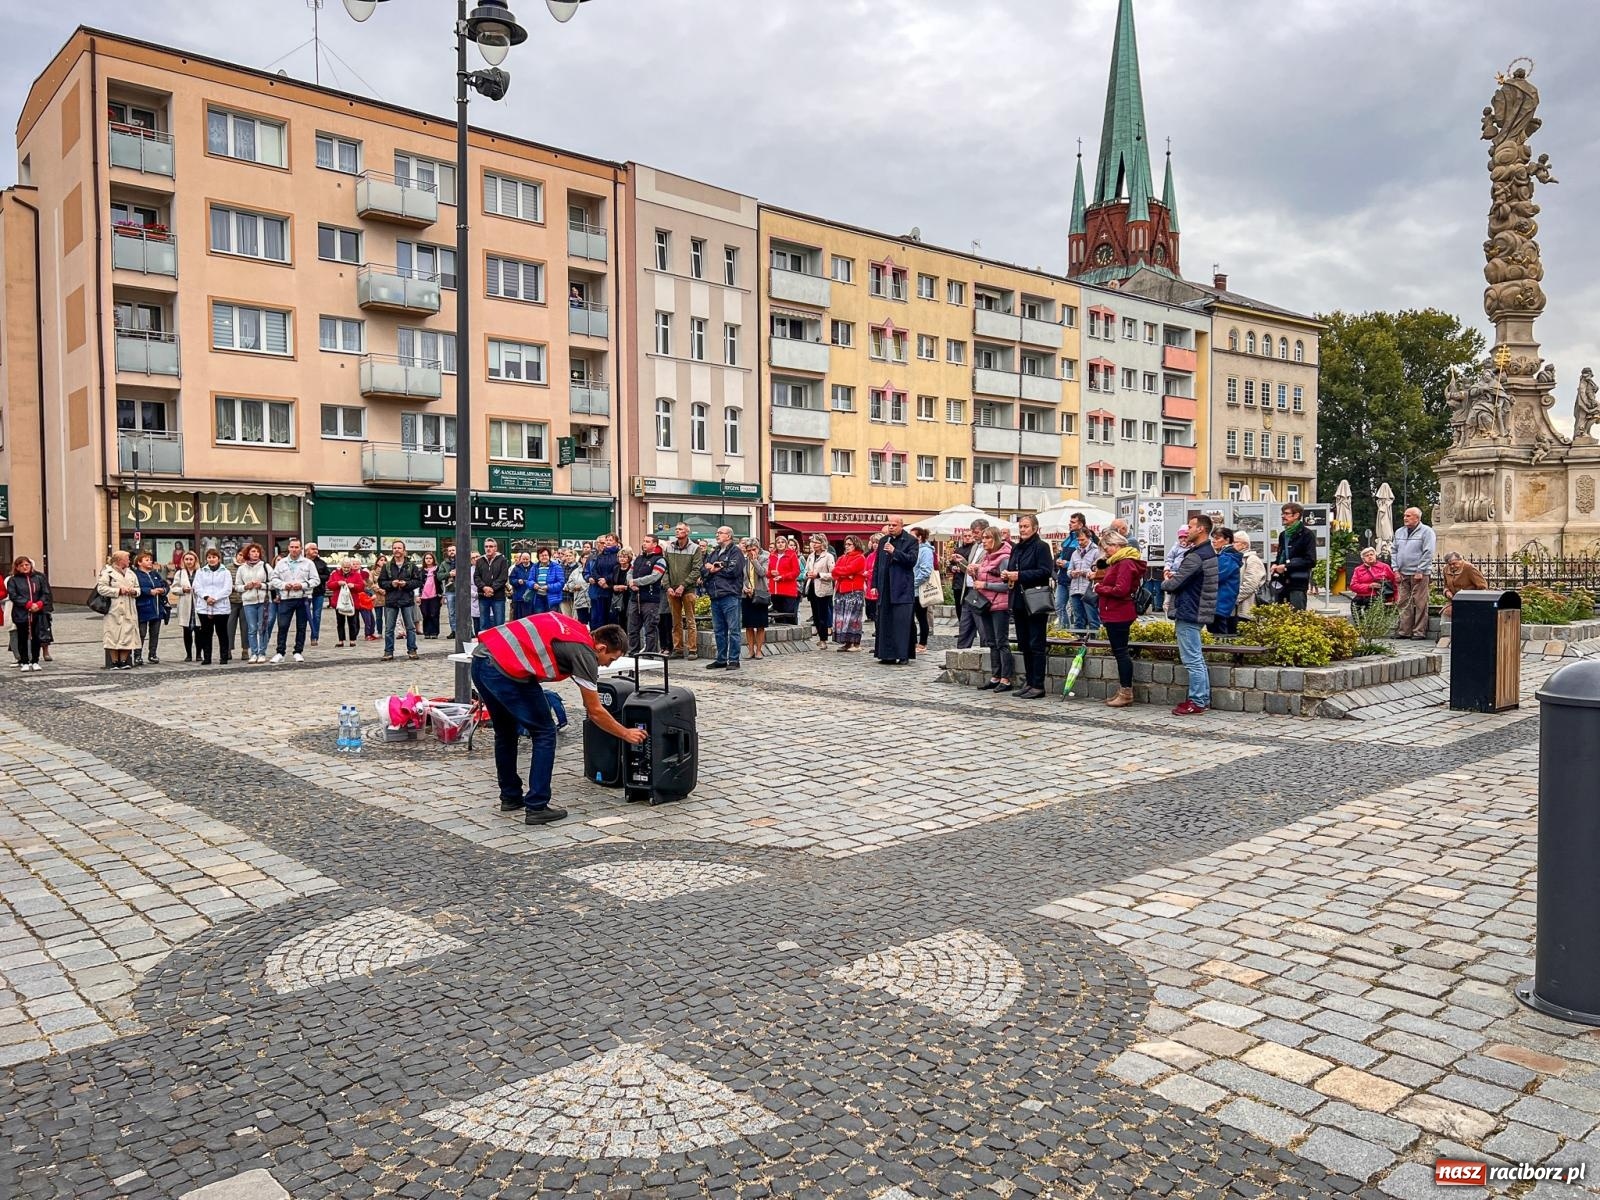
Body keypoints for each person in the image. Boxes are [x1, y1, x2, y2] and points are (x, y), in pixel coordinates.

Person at [471, 614, 646, 825]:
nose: (608, 666)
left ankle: (510, 797)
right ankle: (537, 806)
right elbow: (595, 711)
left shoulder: (577, 630)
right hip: (505, 670)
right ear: (600, 648)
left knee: (505, 732)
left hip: (481, 659)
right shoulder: (585, 653)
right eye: (611, 659)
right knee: (544, 733)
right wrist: (626, 733)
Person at [1162, 514, 1219, 715]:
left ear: (1201, 529)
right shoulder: (1208, 552)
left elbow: (1177, 582)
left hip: (1189, 610)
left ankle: (1196, 701)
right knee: (1197, 658)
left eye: (1192, 526)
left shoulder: (1196, 555)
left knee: (1192, 659)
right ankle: (1203, 698)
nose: (1188, 530)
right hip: (1198, 608)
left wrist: (1165, 582)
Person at [999, 514, 1052, 697]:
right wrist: (1007, 575)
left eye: (1026, 526)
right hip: (1019, 601)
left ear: (1035, 528)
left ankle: (1038, 684)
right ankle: (1029, 682)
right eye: (1021, 526)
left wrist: (1019, 575)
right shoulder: (1017, 548)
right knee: (1025, 644)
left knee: (1036, 643)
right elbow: (1014, 570)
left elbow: (1045, 572)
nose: (1022, 530)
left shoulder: (1041, 547)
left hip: (1035, 600)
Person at [1094, 531, 1146, 708]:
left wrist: (1100, 588)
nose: (1105, 551)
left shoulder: (1124, 563)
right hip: (1117, 612)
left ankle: (1126, 692)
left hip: (1118, 612)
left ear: (1116, 546)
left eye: (1107, 547)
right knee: (1120, 652)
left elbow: (1121, 590)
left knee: (1121, 653)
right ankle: (1124, 690)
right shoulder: (1122, 561)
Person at [969, 526, 1015, 694]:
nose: (984, 541)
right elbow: (983, 576)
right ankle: (995, 676)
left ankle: (1006, 678)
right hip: (986, 604)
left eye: (987, 538)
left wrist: (985, 585)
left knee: (1001, 641)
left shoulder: (1004, 558)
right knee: (991, 641)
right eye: (983, 538)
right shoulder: (987, 557)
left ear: (994, 539)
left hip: (1000, 605)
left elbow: (1007, 585)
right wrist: (974, 571)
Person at [872, 517, 920, 664]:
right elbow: (877, 565)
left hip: (902, 588)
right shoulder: (883, 541)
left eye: (894, 525)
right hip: (885, 587)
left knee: (902, 622)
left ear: (901, 526)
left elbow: (911, 560)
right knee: (885, 621)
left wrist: (895, 552)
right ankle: (887, 655)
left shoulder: (910, 540)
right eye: (889, 525)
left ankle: (903, 654)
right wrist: (874, 584)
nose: (891, 527)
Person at [701, 525, 745, 670]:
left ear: (729, 536)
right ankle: (721, 658)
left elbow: (733, 571)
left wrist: (714, 569)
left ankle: (733, 659)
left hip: (730, 595)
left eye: (721, 533)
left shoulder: (736, 552)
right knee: (719, 630)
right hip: (715, 596)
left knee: (733, 629)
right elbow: (703, 570)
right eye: (717, 532)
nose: (717, 535)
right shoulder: (714, 552)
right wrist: (714, 569)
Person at [1390, 507, 1436, 638]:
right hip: (1402, 572)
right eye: (1404, 515)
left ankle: (1419, 631)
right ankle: (1404, 631)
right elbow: (1394, 551)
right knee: (1403, 602)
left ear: (1417, 518)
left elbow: (1428, 552)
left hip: (1419, 573)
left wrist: (1420, 570)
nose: (1405, 518)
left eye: (1408, 516)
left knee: (1420, 602)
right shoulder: (1399, 532)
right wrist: (1395, 569)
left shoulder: (1427, 532)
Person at [270, 538, 318, 663]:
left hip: (302, 598)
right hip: (286, 598)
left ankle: (298, 651)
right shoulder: (281, 563)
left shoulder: (308, 563)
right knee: (283, 625)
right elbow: (274, 579)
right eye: (292, 547)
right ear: (288, 548)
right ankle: (280, 652)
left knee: (301, 626)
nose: (294, 549)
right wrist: (283, 585)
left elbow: (315, 580)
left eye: (297, 547)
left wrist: (302, 585)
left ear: (301, 549)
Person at [663, 523, 705, 659]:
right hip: (672, 589)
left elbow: (696, 569)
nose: (677, 531)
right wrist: (667, 586)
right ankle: (678, 649)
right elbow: (665, 568)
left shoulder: (695, 548)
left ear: (687, 532)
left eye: (680, 529)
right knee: (676, 621)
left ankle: (692, 649)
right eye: (676, 529)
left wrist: (683, 585)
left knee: (690, 620)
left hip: (688, 589)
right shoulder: (669, 547)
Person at [377, 540, 422, 661]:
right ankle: (388, 651)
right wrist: (391, 584)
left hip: (406, 599)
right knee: (389, 628)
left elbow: (418, 581)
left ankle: (412, 650)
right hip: (391, 600)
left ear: (404, 550)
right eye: (394, 548)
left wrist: (406, 584)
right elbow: (381, 582)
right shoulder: (387, 566)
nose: (397, 550)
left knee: (410, 627)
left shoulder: (411, 565)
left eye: (399, 548)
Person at [98, 549, 142, 671]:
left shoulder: (131, 573)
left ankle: (124, 661)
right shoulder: (108, 572)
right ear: (119, 560)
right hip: (114, 608)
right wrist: (118, 591)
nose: (129, 560)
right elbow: (101, 588)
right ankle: (114, 662)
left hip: (129, 607)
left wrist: (134, 592)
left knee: (127, 634)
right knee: (112, 634)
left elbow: (138, 588)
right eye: (127, 558)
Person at [949, 518, 990, 650]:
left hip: (981, 592)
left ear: (985, 531)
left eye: (976, 532)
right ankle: (960, 655)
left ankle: (987, 655)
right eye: (973, 532)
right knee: (965, 626)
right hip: (968, 590)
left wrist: (976, 567)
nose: (974, 535)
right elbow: (968, 569)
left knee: (983, 627)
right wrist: (962, 562)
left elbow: (989, 568)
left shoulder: (989, 547)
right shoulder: (975, 547)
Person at [7, 556, 52, 671]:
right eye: (21, 565)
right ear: (17, 567)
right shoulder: (13, 580)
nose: (24, 567)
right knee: (22, 637)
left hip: (37, 612)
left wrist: (39, 604)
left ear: (30, 566)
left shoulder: (38, 578)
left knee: (36, 637)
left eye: (27, 565)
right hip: (21, 612)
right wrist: (27, 604)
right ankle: (24, 661)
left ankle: (35, 660)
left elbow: (45, 593)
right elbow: (13, 595)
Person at [1271, 503, 1317, 612]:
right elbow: (1280, 555)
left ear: (1296, 515)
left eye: (1286, 514)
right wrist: (1275, 564)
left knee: (1297, 617)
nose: (1283, 516)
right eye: (1282, 513)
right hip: (1281, 581)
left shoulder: (1307, 534)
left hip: (1297, 583)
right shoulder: (1283, 535)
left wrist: (1287, 566)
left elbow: (1311, 560)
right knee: (1279, 617)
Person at [625, 534, 667, 654]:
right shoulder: (638, 558)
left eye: (647, 541)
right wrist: (630, 582)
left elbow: (654, 577)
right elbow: (630, 572)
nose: (644, 543)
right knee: (632, 628)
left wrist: (637, 582)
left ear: (655, 544)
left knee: (650, 629)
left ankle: (649, 654)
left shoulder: (660, 560)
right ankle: (633, 652)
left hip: (650, 599)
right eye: (643, 541)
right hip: (634, 598)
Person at [1054, 514, 1096, 629]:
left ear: (1081, 524)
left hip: (1080, 583)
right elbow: (1066, 556)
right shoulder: (1069, 538)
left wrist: (1067, 564)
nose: (1070, 524)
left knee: (1082, 613)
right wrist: (1058, 560)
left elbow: (1093, 565)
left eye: (1073, 522)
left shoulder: (1091, 544)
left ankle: (1089, 637)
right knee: (1059, 606)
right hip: (1065, 578)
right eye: (1070, 521)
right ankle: (1065, 630)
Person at [235, 542, 272, 664]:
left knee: (262, 627)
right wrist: (246, 587)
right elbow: (237, 587)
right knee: (251, 628)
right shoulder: (242, 568)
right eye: (253, 552)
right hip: (248, 601)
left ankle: (262, 652)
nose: (255, 554)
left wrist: (261, 585)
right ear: (248, 554)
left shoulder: (265, 566)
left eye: (257, 552)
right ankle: (254, 653)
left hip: (263, 601)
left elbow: (273, 583)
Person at [830, 536, 868, 652]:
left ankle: (855, 644)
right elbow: (834, 571)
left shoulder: (860, 558)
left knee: (853, 618)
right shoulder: (842, 558)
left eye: (849, 544)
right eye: (846, 544)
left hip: (854, 591)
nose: (847, 546)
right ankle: (846, 642)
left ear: (855, 545)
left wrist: (845, 572)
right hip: (841, 591)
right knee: (842, 618)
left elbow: (850, 569)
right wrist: (846, 574)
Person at [132, 550, 168, 665]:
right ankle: (137, 655)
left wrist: (163, 590)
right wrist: (148, 591)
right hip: (143, 607)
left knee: (155, 633)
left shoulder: (155, 574)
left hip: (157, 607)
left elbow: (164, 585)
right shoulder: (136, 575)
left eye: (150, 560)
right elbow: (136, 588)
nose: (150, 562)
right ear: (139, 562)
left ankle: (152, 654)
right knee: (141, 633)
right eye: (147, 560)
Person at [740, 538, 771, 660]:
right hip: (747, 595)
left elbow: (763, 573)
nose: (751, 552)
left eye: (754, 549)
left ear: (758, 549)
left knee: (760, 624)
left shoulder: (764, 559)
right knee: (748, 625)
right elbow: (739, 578)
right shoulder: (743, 561)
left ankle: (759, 650)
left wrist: (754, 561)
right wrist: (744, 588)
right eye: (749, 550)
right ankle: (750, 650)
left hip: (760, 594)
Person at [802, 535, 836, 647]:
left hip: (823, 587)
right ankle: (819, 634)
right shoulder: (811, 556)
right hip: (812, 586)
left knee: (823, 614)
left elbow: (833, 574)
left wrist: (819, 575)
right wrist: (807, 574)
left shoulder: (828, 556)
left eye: (817, 542)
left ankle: (823, 639)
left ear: (822, 544)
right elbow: (806, 569)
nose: (814, 544)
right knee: (815, 614)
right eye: (813, 542)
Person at [327, 557, 368, 647]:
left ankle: (352, 640)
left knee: (352, 621)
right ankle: (341, 640)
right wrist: (337, 583)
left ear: (351, 567)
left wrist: (353, 586)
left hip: (352, 601)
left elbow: (361, 587)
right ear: (341, 566)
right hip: (339, 601)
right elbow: (329, 585)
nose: (346, 569)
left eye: (348, 567)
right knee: (340, 622)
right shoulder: (335, 574)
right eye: (344, 567)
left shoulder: (356, 575)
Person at [1349, 546, 1399, 620]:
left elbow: (1394, 582)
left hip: (1379, 595)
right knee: (1354, 603)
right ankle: (1360, 626)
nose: (1370, 557)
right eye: (1367, 555)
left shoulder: (1384, 567)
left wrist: (1396, 597)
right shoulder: (1358, 569)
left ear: (1375, 556)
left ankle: (1371, 625)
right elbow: (1353, 586)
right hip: (1362, 594)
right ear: (1363, 559)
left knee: (1371, 605)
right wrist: (1368, 586)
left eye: (1371, 554)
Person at [1067, 527, 1102, 633]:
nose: (1080, 542)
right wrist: (1072, 573)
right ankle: (1079, 644)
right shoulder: (1075, 553)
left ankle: (1095, 645)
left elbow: (1098, 571)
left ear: (1089, 538)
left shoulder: (1096, 551)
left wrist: (1083, 572)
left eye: (1082, 540)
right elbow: (1068, 571)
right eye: (1078, 540)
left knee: (1092, 619)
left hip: (1089, 590)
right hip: (1075, 590)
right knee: (1078, 620)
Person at [170, 550, 201, 662]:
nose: (189, 561)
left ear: (195, 560)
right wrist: (182, 590)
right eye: (186, 559)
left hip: (198, 603)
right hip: (186, 603)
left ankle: (198, 654)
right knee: (187, 631)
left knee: (199, 631)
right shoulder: (180, 573)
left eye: (191, 559)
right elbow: (173, 588)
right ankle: (188, 654)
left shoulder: (201, 572)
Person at [1211, 527, 1242, 637]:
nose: (1214, 541)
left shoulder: (1227, 557)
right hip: (1220, 602)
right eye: (1213, 538)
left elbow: (1216, 576)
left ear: (1227, 539)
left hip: (1221, 602)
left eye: (1218, 538)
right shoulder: (1225, 555)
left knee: (1220, 636)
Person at [584, 535, 620, 629]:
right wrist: (598, 579)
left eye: (610, 540)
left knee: (611, 618)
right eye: (606, 540)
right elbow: (594, 570)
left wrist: (606, 579)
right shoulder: (600, 556)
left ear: (616, 542)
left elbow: (617, 570)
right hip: (599, 590)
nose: (607, 542)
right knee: (598, 619)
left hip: (610, 589)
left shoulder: (618, 555)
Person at [910, 526, 936, 651]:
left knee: (921, 617)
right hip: (912, 589)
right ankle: (913, 642)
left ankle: (922, 643)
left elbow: (925, 572)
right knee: (911, 617)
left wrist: (913, 583)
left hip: (919, 589)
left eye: (913, 536)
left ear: (920, 537)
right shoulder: (913, 549)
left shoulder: (925, 551)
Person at [475, 538, 510, 630]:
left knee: (499, 624)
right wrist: (484, 588)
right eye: (486, 546)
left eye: (491, 546)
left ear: (495, 548)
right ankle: (484, 643)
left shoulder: (502, 560)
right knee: (483, 623)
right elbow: (476, 577)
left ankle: (500, 644)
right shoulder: (479, 561)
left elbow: (503, 578)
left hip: (498, 597)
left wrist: (492, 588)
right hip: (483, 596)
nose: (488, 548)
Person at [1440, 551, 1488, 619]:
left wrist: (1471, 597)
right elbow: (1446, 585)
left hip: (1470, 601)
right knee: (1447, 613)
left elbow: (1483, 586)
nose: (1452, 566)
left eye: (1454, 563)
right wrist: (1447, 592)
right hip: (1454, 601)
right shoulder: (1446, 569)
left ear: (1460, 560)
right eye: (1449, 564)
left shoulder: (1469, 568)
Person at [1233, 534, 1267, 621]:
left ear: (1245, 545)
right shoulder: (1236, 558)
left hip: (1246, 608)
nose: (1232, 545)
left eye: (1235, 542)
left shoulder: (1252, 560)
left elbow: (1250, 585)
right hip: (1235, 608)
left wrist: (1234, 599)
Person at [769, 536, 800, 626]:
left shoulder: (791, 554)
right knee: (778, 616)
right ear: (775, 544)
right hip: (775, 590)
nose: (780, 544)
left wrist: (782, 577)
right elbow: (766, 572)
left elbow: (796, 572)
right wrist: (771, 572)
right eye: (778, 542)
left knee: (789, 615)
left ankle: (792, 636)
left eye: (782, 542)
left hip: (788, 590)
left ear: (786, 544)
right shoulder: (771, 555)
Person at [305, 543, 331, 647]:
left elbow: (327, 576)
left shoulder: (321, 563)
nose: (315, 551)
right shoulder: (302, 562)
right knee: (304, 615)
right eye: (312, 549)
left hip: (318, 592)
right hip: (305, 592)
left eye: (316, 549)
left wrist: (316, 578)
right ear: (306, 551)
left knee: (317, 615)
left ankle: (314, 637)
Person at [529, 547, 565, 616]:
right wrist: (533, 584)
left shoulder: (556, 567)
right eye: (542, 555)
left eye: (546, 555)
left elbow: (561, 583)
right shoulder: (534, 567)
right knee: (539, 619)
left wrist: (548, 587)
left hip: (552, 598)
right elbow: (529, 580)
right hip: (538, 597)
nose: (544, 557)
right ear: (538, 557)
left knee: (552, 620)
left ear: (549, 556)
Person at [418, 551, 443, 638]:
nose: (428, 560)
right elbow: (419, 583)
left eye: (430, 558)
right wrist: (418, 595)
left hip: (435, 595)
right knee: (425, 614)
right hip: (424, 596)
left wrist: (442, 595)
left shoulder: (438, 569)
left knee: (434, 614)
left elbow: (441, 582)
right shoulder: (421, 571)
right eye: (427, 558)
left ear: (433, 559)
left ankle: (434, 632)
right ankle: (427, 632)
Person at [510, 551, 538, 622]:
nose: (525, 561)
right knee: (519, 620)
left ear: (530, 559)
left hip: (531, 597)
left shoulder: (534, 567)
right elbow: (511, 579)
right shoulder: (516, 568)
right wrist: (517, 581)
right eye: (523, 559)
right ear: (521, 559)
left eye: (527, 559)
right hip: (519, 598)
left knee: (530, 619)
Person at [439, 542, 459, 638]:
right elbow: (439, 576)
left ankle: (468, 631)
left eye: (453, 550)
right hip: (450, 590)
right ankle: (454, 631)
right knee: (452, 612)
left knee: (465, 612)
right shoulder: (444, 563)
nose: (451, 552)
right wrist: (449, 574)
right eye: (450, 550)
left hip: (462, 591)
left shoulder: (463, 561)